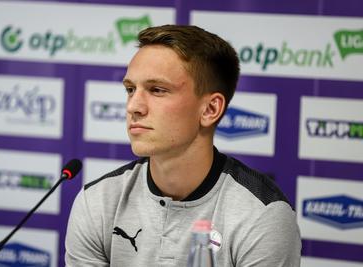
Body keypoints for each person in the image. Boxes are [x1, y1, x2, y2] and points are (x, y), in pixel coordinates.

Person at [65, 25, 301, 266]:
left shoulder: (262, 214)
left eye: (157, 90)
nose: (133, 107)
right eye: (130, 89)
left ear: (210, 109)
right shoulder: (97, 202)